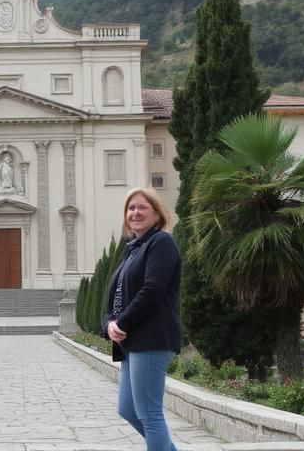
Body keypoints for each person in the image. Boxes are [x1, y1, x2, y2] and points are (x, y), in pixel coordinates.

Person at [102, 187, 182, 451]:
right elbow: (113, 294)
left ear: (157, 214)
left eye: (142, 207)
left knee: (149, 414)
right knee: (128, 409)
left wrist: (121, 323)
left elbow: (152, 290)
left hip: (151, 337)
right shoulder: (132, 249)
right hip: (131, 342)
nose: (135, 212)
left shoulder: (161, 242)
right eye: (130, 208)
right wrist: (108, 325)